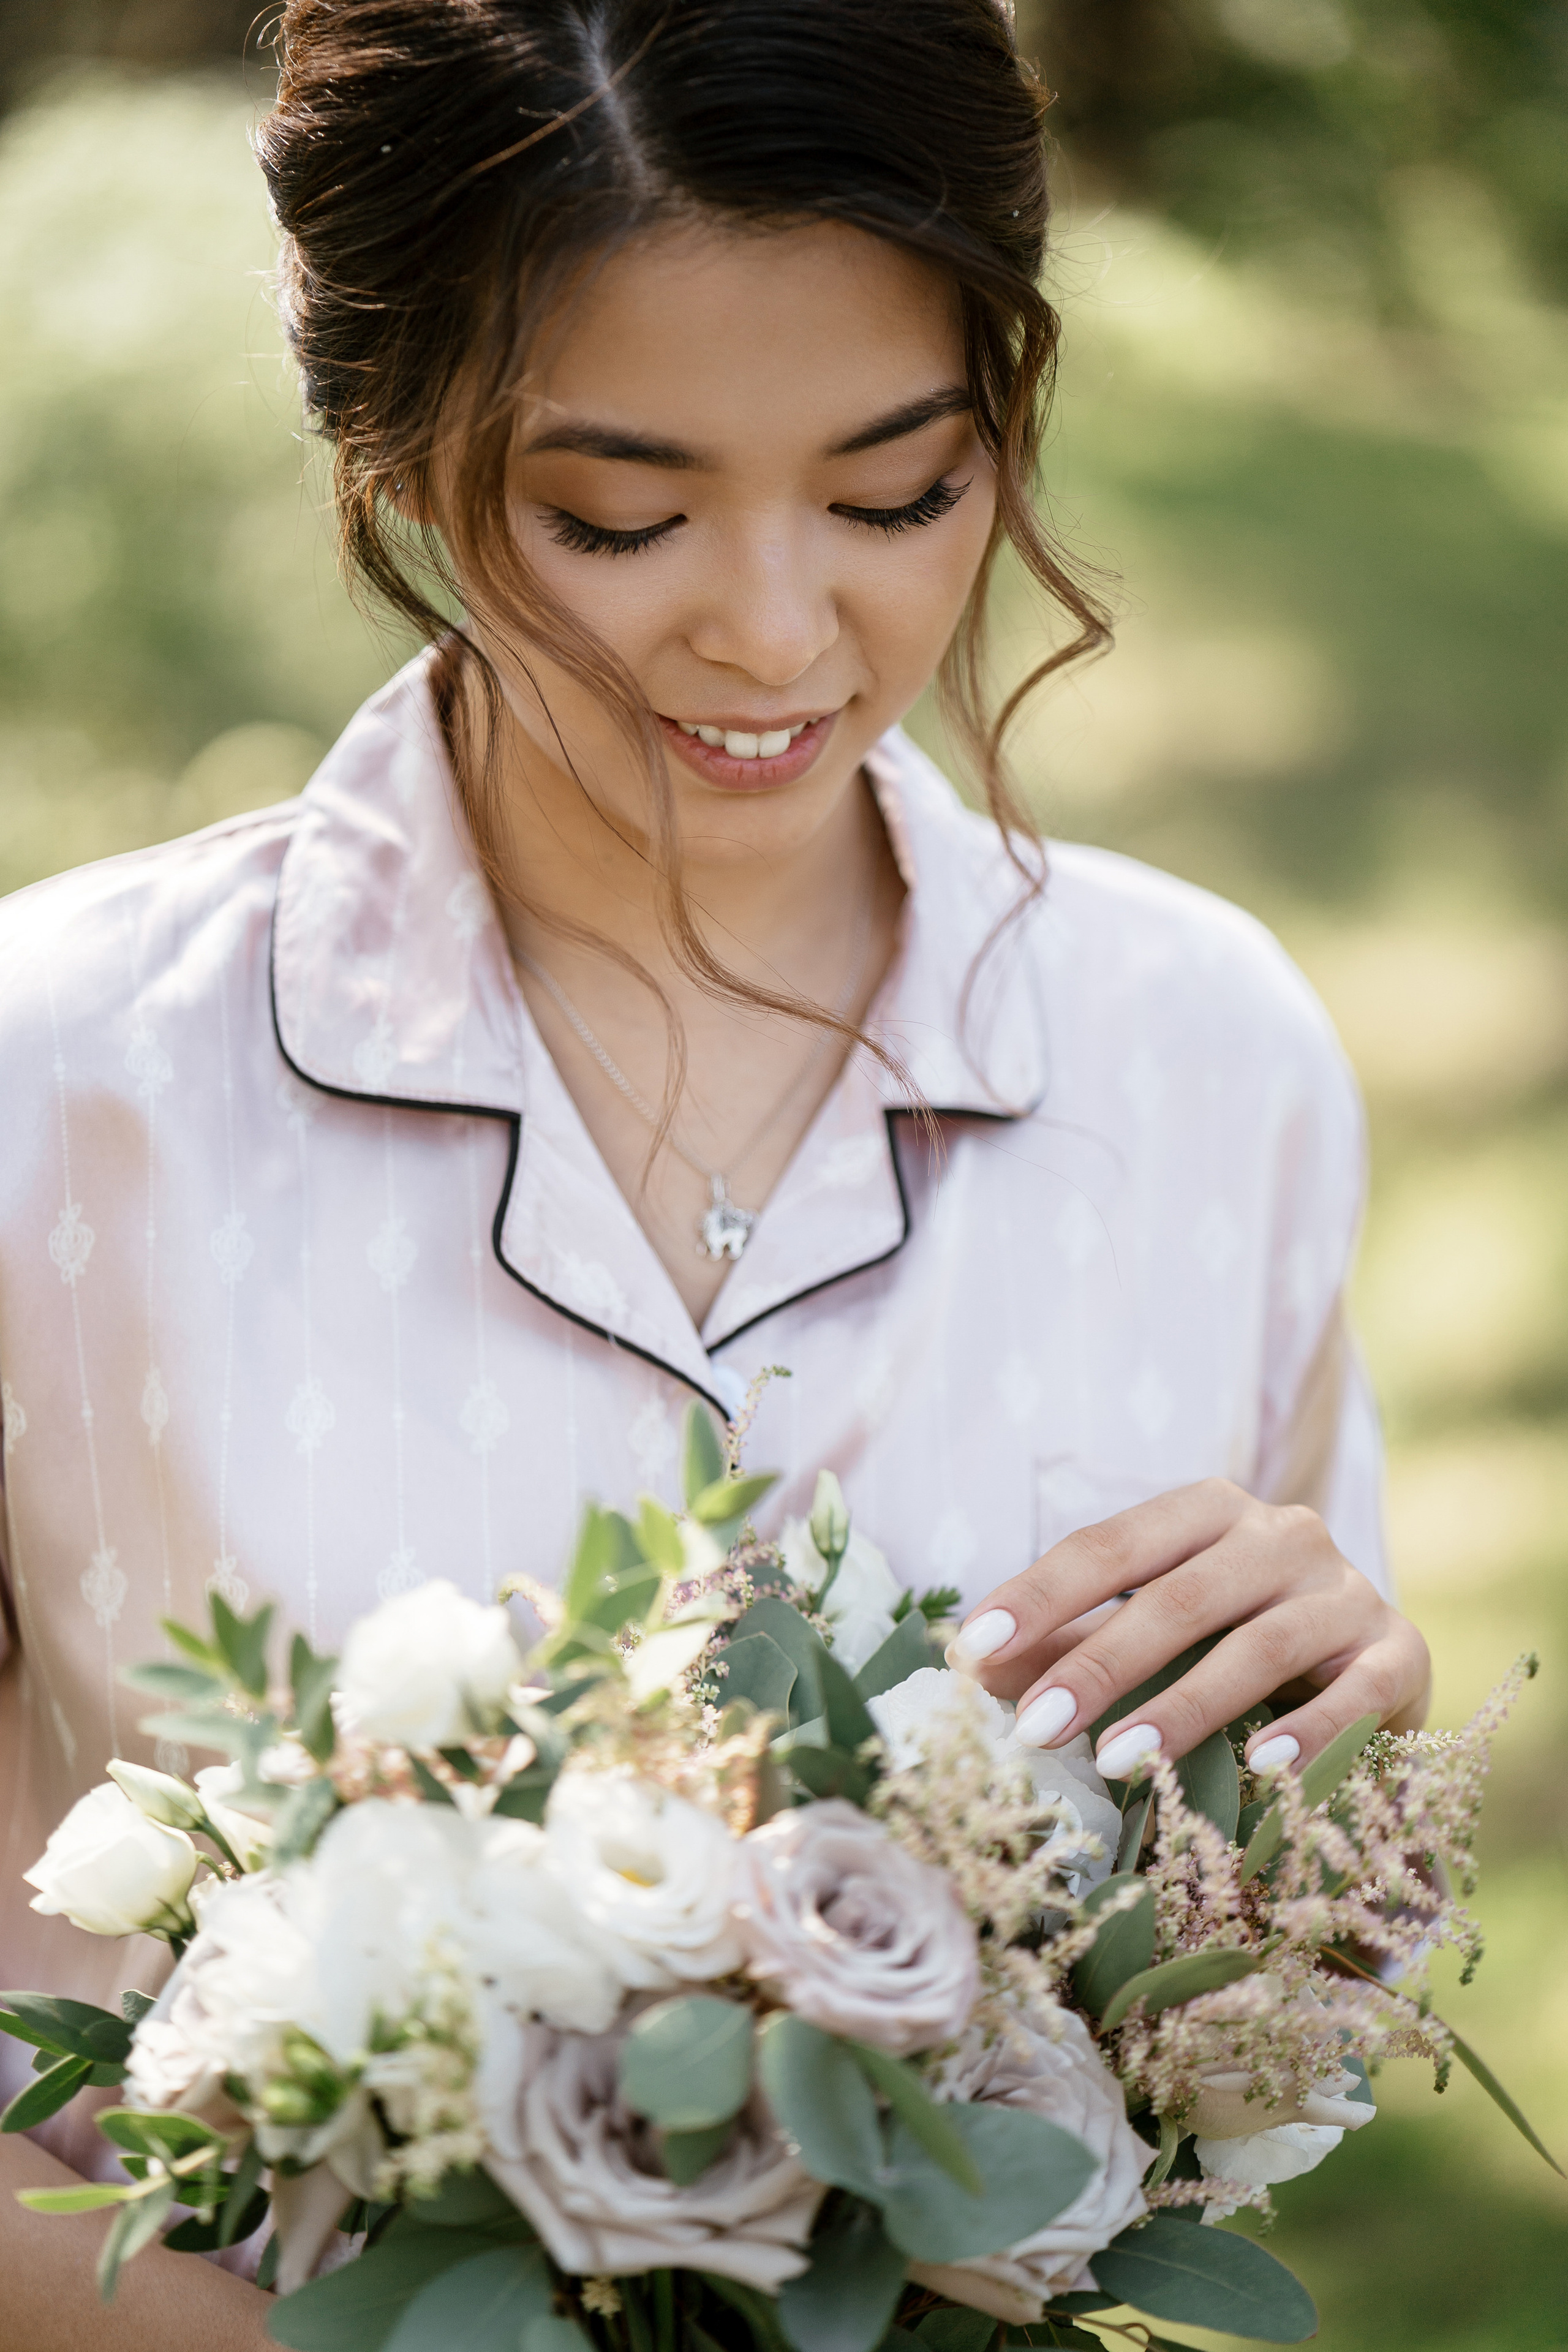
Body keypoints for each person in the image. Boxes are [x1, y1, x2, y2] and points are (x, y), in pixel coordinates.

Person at [0, 1, 1431, 2339]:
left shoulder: (1212, 1062)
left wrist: (1325, 1782)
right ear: (385, 449)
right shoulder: (49, 1080)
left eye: (898, 495)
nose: (778, 632)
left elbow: (1269, 2020)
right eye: (619, 513)